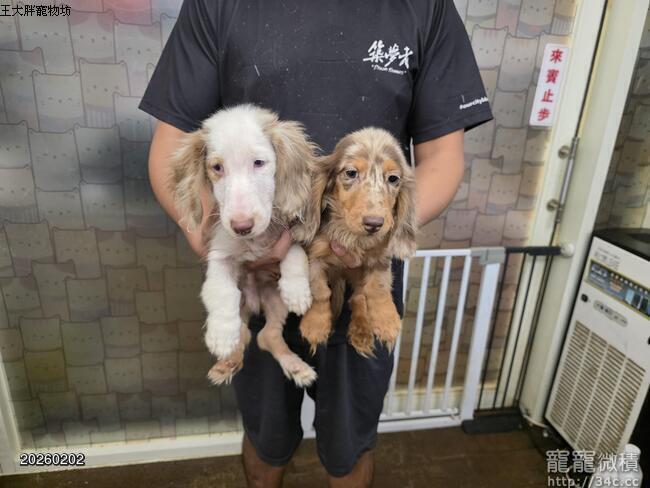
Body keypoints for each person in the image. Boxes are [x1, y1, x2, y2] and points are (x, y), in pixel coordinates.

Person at [139, 0, 493, 486]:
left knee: (351, 446)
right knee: (266, 437)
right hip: (258, 278)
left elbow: (442, 157)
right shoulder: (216, 5)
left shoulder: (426, 8)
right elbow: (173, 147)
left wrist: (372, 236)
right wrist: (216, 240)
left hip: (361, 280)